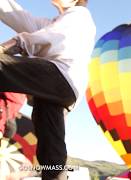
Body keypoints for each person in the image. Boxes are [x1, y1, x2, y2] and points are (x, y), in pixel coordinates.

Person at [0, 0, 96, 179]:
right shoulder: (54, 23)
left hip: (58, 77)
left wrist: (13, 44)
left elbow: (49, 37)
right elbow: (18, 16)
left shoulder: (80, 15)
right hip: (59, 94)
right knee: (51, 153)